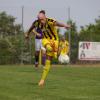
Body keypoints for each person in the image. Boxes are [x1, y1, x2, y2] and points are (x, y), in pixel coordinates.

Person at [25, 10, 70, 86]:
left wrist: (65, 25)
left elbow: (58, 23)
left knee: (48, 61)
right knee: (48, 48)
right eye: (39, 19)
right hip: (45, 40)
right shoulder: (37, 22)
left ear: (45, 17)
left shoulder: (50, 21)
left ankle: (42, 80)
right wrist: (27, 34)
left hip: (54, 40)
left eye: (42, 19)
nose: (41, 21)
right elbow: (31, 27)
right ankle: (52, 51)